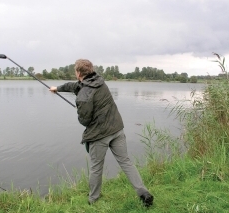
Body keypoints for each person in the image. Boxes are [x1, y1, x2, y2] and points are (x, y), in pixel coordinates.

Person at [49, 59, 154, 207]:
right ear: (90, 70)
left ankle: (93, 199)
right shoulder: (99, 81)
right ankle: (144, 193)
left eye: (75, 71)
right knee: (126, 162)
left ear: (78, 73)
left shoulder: (84, 94)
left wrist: (79, 111)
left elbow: (84, 121)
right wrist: (57, 88)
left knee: (96, 167)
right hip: (116, 129)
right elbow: (75, 86)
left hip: (100, 135)